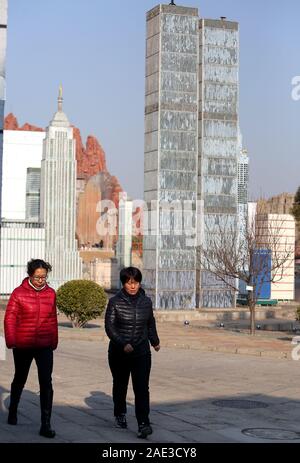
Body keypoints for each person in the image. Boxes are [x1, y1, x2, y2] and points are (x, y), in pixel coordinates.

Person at [4, 259, 58, 438]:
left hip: (44, 345)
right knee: (20, 377)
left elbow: (52, 319)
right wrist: (11, 340)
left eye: (44, 277)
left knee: (46, 381)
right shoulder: (18, 294)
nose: (41, 280)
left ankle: (46, 424)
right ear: (30, 275)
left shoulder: (51, 293)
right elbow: (10, 318)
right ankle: (13, 409)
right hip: (23, 344)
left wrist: (54, 340)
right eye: (37, 277)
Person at [105, 267, 160, 439]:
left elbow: (150, 324)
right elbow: (110, 327)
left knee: (142, 388)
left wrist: (155, 341)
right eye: (129, 283)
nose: (133, 286)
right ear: (123, 283)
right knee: (121, 385)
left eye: (135, 282)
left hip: (141, 351)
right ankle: (120, 414)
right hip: (119, 353)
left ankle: (143, 423)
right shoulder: (115, 301)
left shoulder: (146, 302)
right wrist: (122, 343)